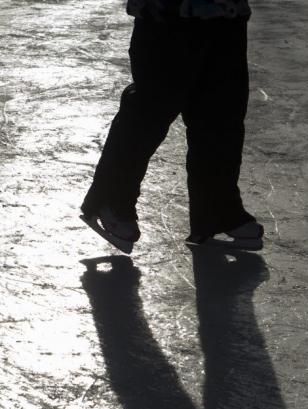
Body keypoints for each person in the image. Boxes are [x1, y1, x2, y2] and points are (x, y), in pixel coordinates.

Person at [80, 0, 263, 253]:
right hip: (165, 15)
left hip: (226, 14)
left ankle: (218, 211)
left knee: (221, 116)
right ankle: (111, 201)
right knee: (150, 113)